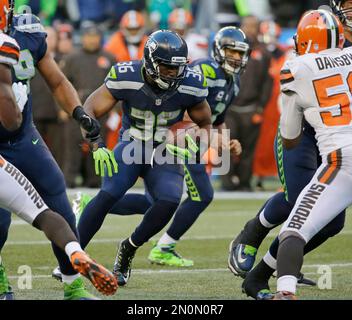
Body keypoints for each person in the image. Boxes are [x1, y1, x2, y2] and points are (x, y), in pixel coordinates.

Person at [228, 0, 352, 300]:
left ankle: (264, 273)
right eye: (348, 5)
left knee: (331, 221)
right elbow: (290, 126)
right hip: (309, 129)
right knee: (300, 198)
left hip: (336, 137)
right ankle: (253, 231)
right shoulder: (317, 29)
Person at [76, 30, 213, 287]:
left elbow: (205, 123)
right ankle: (72, 255)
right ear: (150, 61)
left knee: (169, 200)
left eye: (178, 67)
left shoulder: (192, 82)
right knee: (110, 193)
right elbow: (89, 109)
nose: (174, 73)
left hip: (165, 149)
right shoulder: (126, 76)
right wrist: (96, 143)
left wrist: (196, 141)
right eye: (167, 67)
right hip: (132, 143)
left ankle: (128, 248)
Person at [0, 0, 116, 300]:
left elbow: (56, 80)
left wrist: (79, 112)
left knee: (60, 205)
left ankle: (71, 283)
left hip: (23, 138)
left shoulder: (28, 32)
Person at [274, 9, 351, 300]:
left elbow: (290, 137)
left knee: (293, 232)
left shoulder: (298, 67)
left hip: (342, 159)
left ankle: (285, 291)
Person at [221, 15, 273, 191]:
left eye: (253, 26)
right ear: (241, 28)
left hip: (251, 108)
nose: (250, 30)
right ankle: (227, 183)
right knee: (226, 144)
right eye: (247, 26)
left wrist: (260, 108)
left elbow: (267, 83)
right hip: (231, 107)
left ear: (259, 29)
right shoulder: (228, 49)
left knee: (248, 150)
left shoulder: (263, 53)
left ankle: (244, 182)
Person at [60, 24, 115, 188]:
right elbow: (61, 85)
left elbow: (117, 86)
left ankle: (95, 180)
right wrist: (62, 109)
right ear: (82, 38)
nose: (92, 40)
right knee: (72, 146)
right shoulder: (72, 58)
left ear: (100, 38)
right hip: (76, 108)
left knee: (97, 145)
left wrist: (115, 111)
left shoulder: (109, 58)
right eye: (88, 36)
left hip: (101, 109)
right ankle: (69, 180)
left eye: (95, 36)